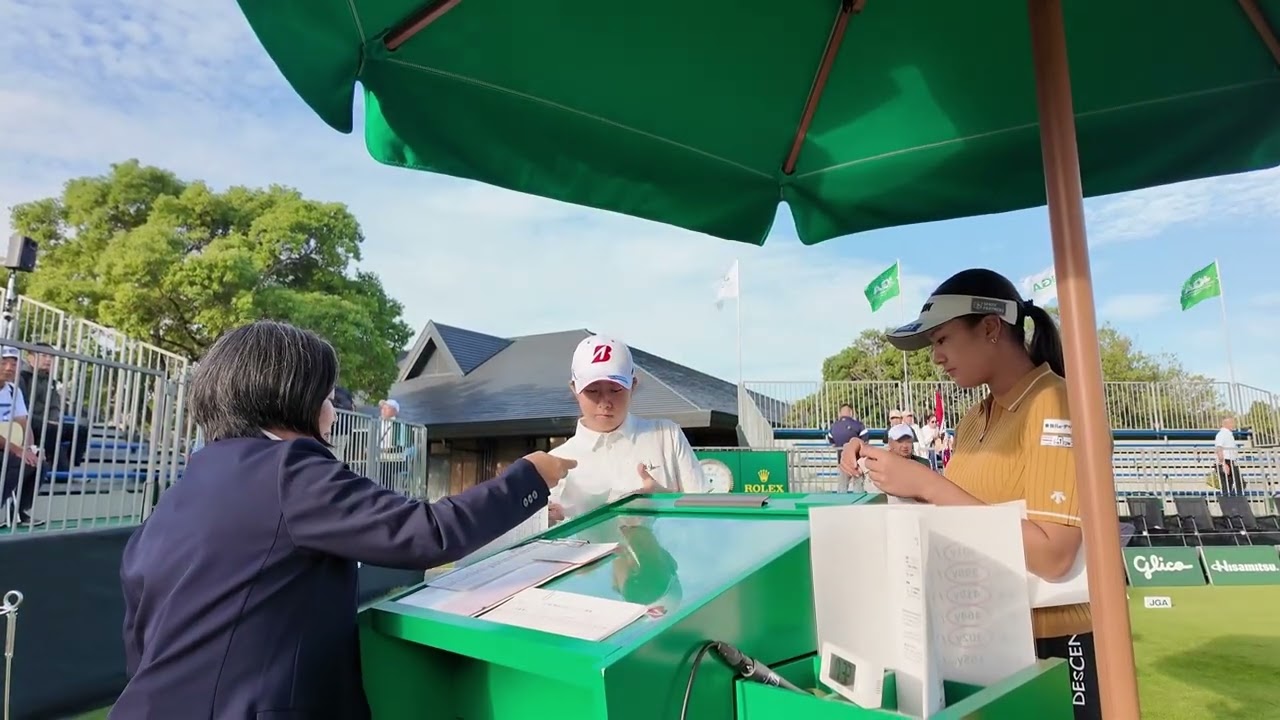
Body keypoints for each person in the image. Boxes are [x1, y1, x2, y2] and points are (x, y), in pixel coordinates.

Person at [112, 321, 576, 720]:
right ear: (290, 398)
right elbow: (428, 533)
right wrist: (529, 477)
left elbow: (140, 634)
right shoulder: (288, 469)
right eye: (329, 398)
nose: (334, 414)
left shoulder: (185, 489)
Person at [838, 268, 1099, 720]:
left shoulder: (1056, 403)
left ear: (991, 327)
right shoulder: (975, 418)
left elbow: (1054, 555)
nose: (936, 357)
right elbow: (964, 514)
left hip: (1055, 641)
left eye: (942, 339)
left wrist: (926, 483)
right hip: (986, 635)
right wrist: (883, 468)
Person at [547, 335, 705, 525]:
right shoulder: (556, 462)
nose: (605, 402)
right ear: (574, 389)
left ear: (633, 385)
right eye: (592, 390)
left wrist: (664, 501)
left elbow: (706, 515)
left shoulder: (666, 435)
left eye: (615, 390)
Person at [826, 404, 868, 492]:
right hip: (857, 462)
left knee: (842, 487)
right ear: (851, 412)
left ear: (840, 413)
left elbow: (831, 442)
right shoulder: (858, 425)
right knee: (858, 488)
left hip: (842, 462)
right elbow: (865, 442)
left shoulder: (834, 426)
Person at [1213, 416, 1244, 495]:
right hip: (1226, 461)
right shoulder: (1222, 434)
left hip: (1230, 461)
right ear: (1227, 424)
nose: (1234, 424)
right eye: (1232, 423)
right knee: (1227, 486)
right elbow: (1219, 449)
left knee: (1236, 484)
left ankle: (1232, 499)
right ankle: (1228, 500)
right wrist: (1223, 464)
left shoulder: (1228, 434)